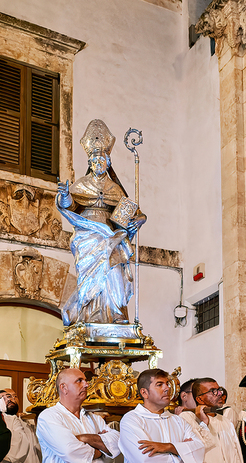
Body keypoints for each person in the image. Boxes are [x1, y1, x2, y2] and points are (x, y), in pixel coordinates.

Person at [56, 119, 146, 326]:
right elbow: (69, 205)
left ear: (108, 162)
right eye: (94, 161)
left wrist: (140, 220)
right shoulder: (82, 184)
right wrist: (64, 196)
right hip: (87, 234)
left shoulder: (115, 189)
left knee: (114, 270)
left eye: (102, 161)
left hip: (111, 235)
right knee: (90, 277)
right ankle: (90, 315)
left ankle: (115, 314)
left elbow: (133, 212)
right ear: (89, 163)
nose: (98, 164)